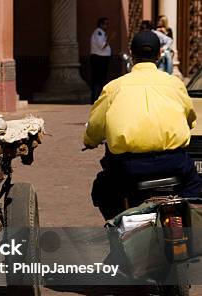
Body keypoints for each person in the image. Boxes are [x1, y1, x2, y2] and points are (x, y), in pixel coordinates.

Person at [84, 30, 201, 220]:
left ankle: (117, 234)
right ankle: (191, 233)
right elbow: (190, 118)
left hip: (128, 168)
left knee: (102, 191)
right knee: (195, 190)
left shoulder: (114, 87)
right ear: (158, 54)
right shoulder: (175, 84)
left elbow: (96, 126)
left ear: (132, 54)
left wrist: (90, 140)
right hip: (174, 163)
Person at [90, 17, 112, 103]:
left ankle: (99, 99)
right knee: (98, 80)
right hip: (98, 59)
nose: (107, 26)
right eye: (105, 24)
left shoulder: (102, 33)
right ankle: (95, 99)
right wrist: (110, 38)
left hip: (102, 58)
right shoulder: (98, 32)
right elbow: (102, 46)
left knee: (102, 79)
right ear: (101, 24)